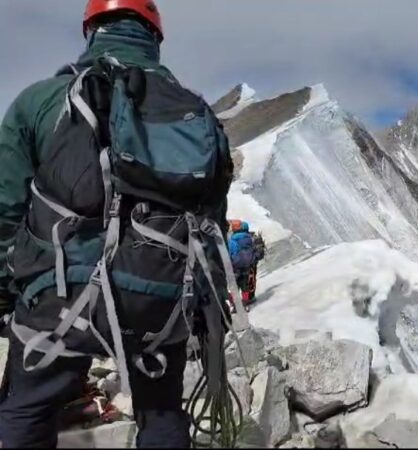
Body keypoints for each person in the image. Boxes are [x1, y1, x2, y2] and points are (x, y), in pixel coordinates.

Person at [0, 1, 237, 447]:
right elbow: (212, 224)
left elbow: (5, 207)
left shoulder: (40, 101)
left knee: (27, 410)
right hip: (161, 298)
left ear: (91, 30)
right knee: (163, 413)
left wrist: (5, 291)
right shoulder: (195, 116)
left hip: (58, 295)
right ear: (155, 38)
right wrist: (206, 307)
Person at [228, 221, 265, 305]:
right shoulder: (250, 237)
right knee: (246, 284)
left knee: (235, 285)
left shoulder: (232, 240)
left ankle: (234, 302)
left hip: (236, 266)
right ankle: (248, 299)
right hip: (249, 264)